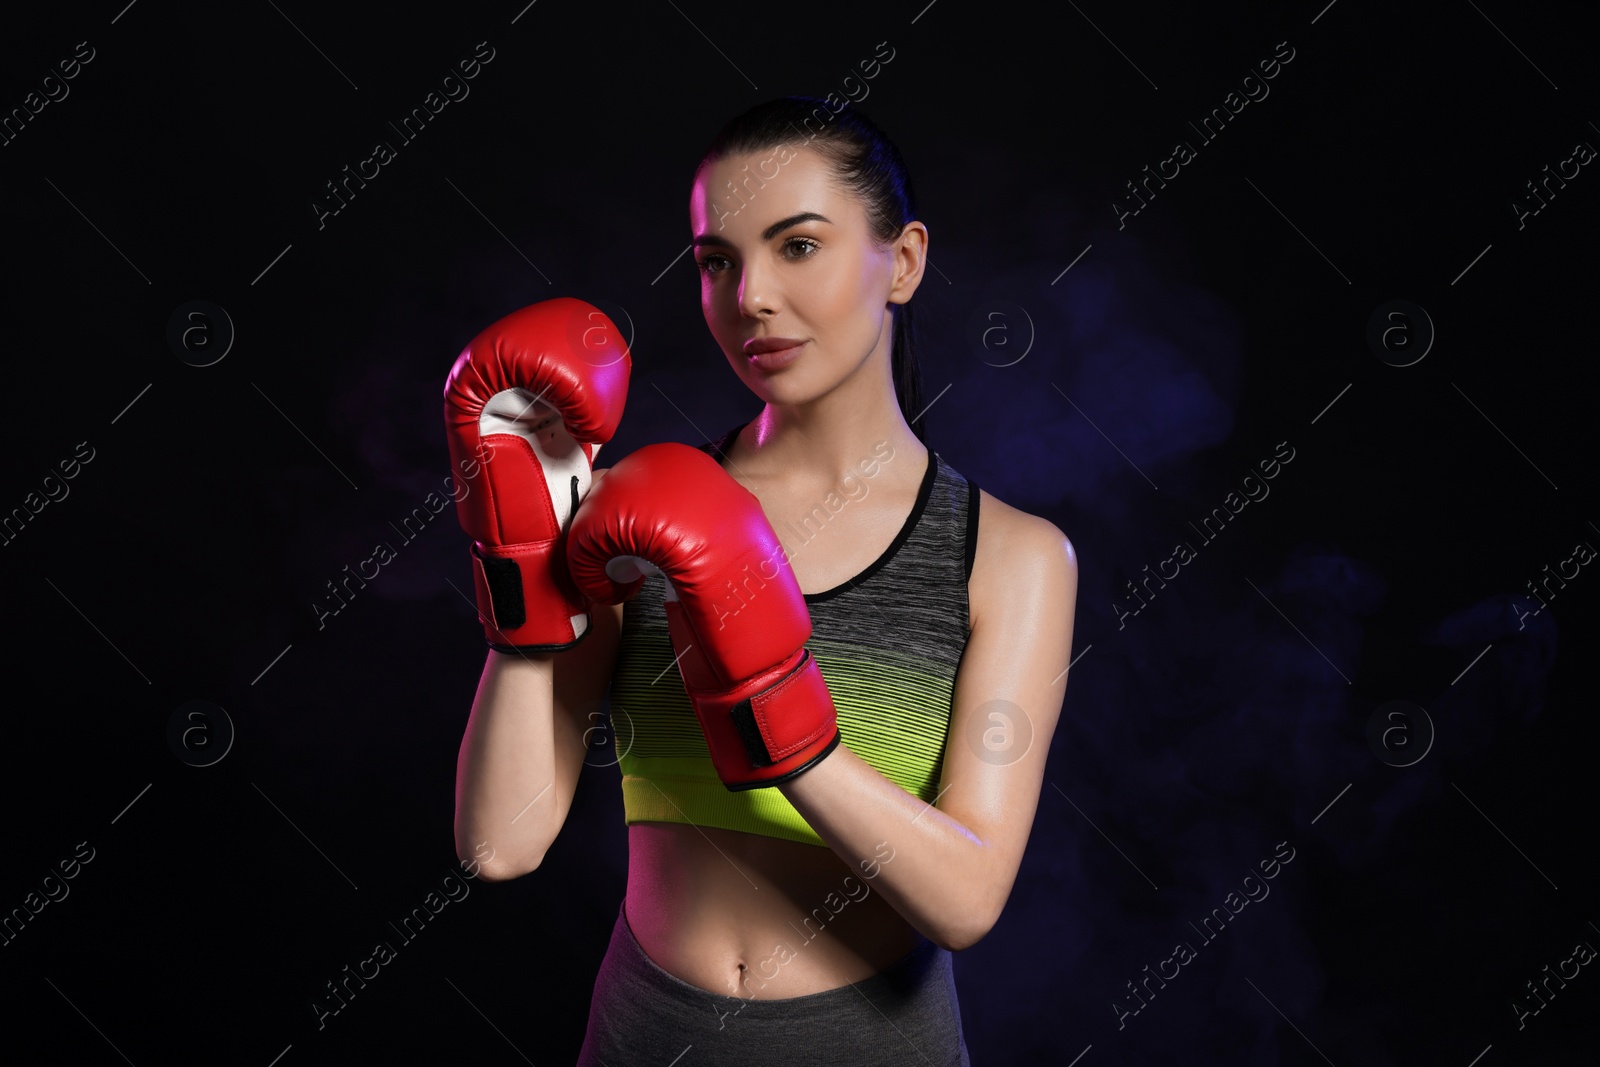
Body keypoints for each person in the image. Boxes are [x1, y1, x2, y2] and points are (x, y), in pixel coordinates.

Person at [446, 96, 1078, 1065]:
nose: (750, 298)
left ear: (901, 261)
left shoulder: (1008, 553)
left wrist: (773, 712)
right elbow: (501, 842)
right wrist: (525, 559)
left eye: (797, 246)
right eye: (717, 261)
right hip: (645, 1030)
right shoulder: (633, 512)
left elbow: (967, 897)